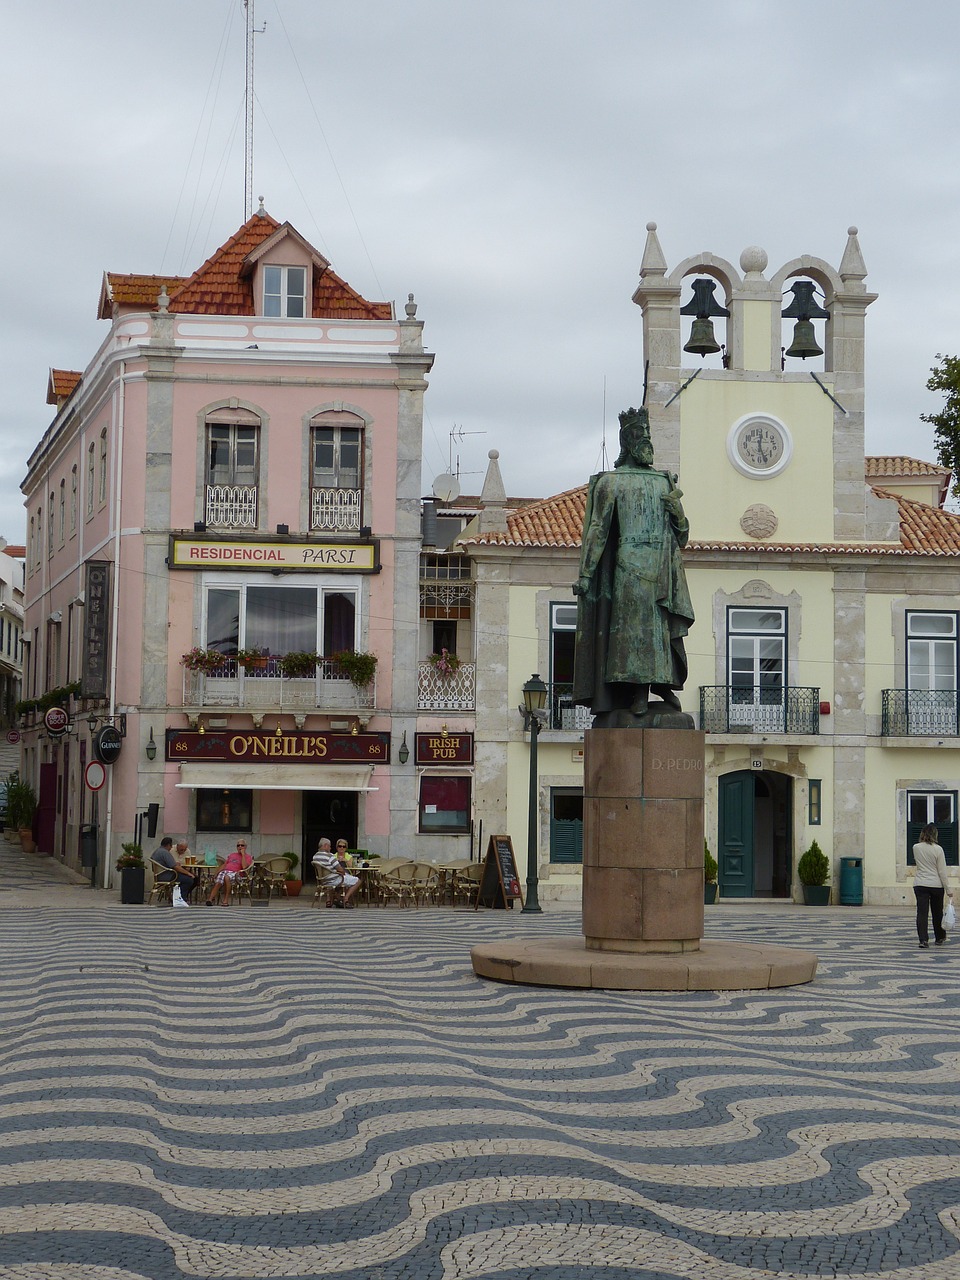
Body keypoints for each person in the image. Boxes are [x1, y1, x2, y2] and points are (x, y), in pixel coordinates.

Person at [573, 406, 694, 723]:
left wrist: (677, 511)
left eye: (648, 435)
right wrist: (586, 575)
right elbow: (598, 531)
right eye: (640, 435)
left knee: (661, 630)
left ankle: (663, 684)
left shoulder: (665, 482)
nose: (646, 441)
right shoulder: (612, 482)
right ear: (626, 441)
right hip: (629, 565)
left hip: (663, 566)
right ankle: (638, 691)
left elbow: (682, 537)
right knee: (634, 633)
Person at [912, 824, 953, 948]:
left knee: (922, 913)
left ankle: (923, 940)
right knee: (937, 912)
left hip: (920, 883)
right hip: (936, 884)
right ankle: (940, 937)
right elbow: (942, 871)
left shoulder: (916, 847)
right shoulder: (938, 849)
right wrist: (948, 889)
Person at [313, 837, 359, 907]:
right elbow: (340, 869)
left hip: (322, 880)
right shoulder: (330, 856)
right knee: (358, 880)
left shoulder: (315, 856)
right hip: (333, 879)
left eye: (344, 847)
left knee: (341, 878)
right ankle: (345, 899)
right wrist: (342, 872)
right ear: (325, 845)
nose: (330, 848)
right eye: (329, 846)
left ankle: (335, 900)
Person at [205, 839, 253, 906]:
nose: (240, 847)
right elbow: (225, 865)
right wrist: (217, 872)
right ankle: (210, 899)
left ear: (245, 847)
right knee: (218, 881)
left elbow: (244, 867)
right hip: (225, 871)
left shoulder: (248, 857)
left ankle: (226, 900)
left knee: (227, 877)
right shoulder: (232, 855)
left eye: (242, 845)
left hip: (237, 874)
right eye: (238, 845)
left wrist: (243, 855)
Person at [151, 836, 198, 903]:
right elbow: (175, 867)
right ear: (168, 845)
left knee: (187, 878)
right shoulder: (165, 853)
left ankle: (177, 897)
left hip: (160, 874)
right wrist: (188, 873)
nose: (171, 848)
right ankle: (180, 899)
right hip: (167, 876)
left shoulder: (157, 851)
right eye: (170, 846)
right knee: (188, 880)